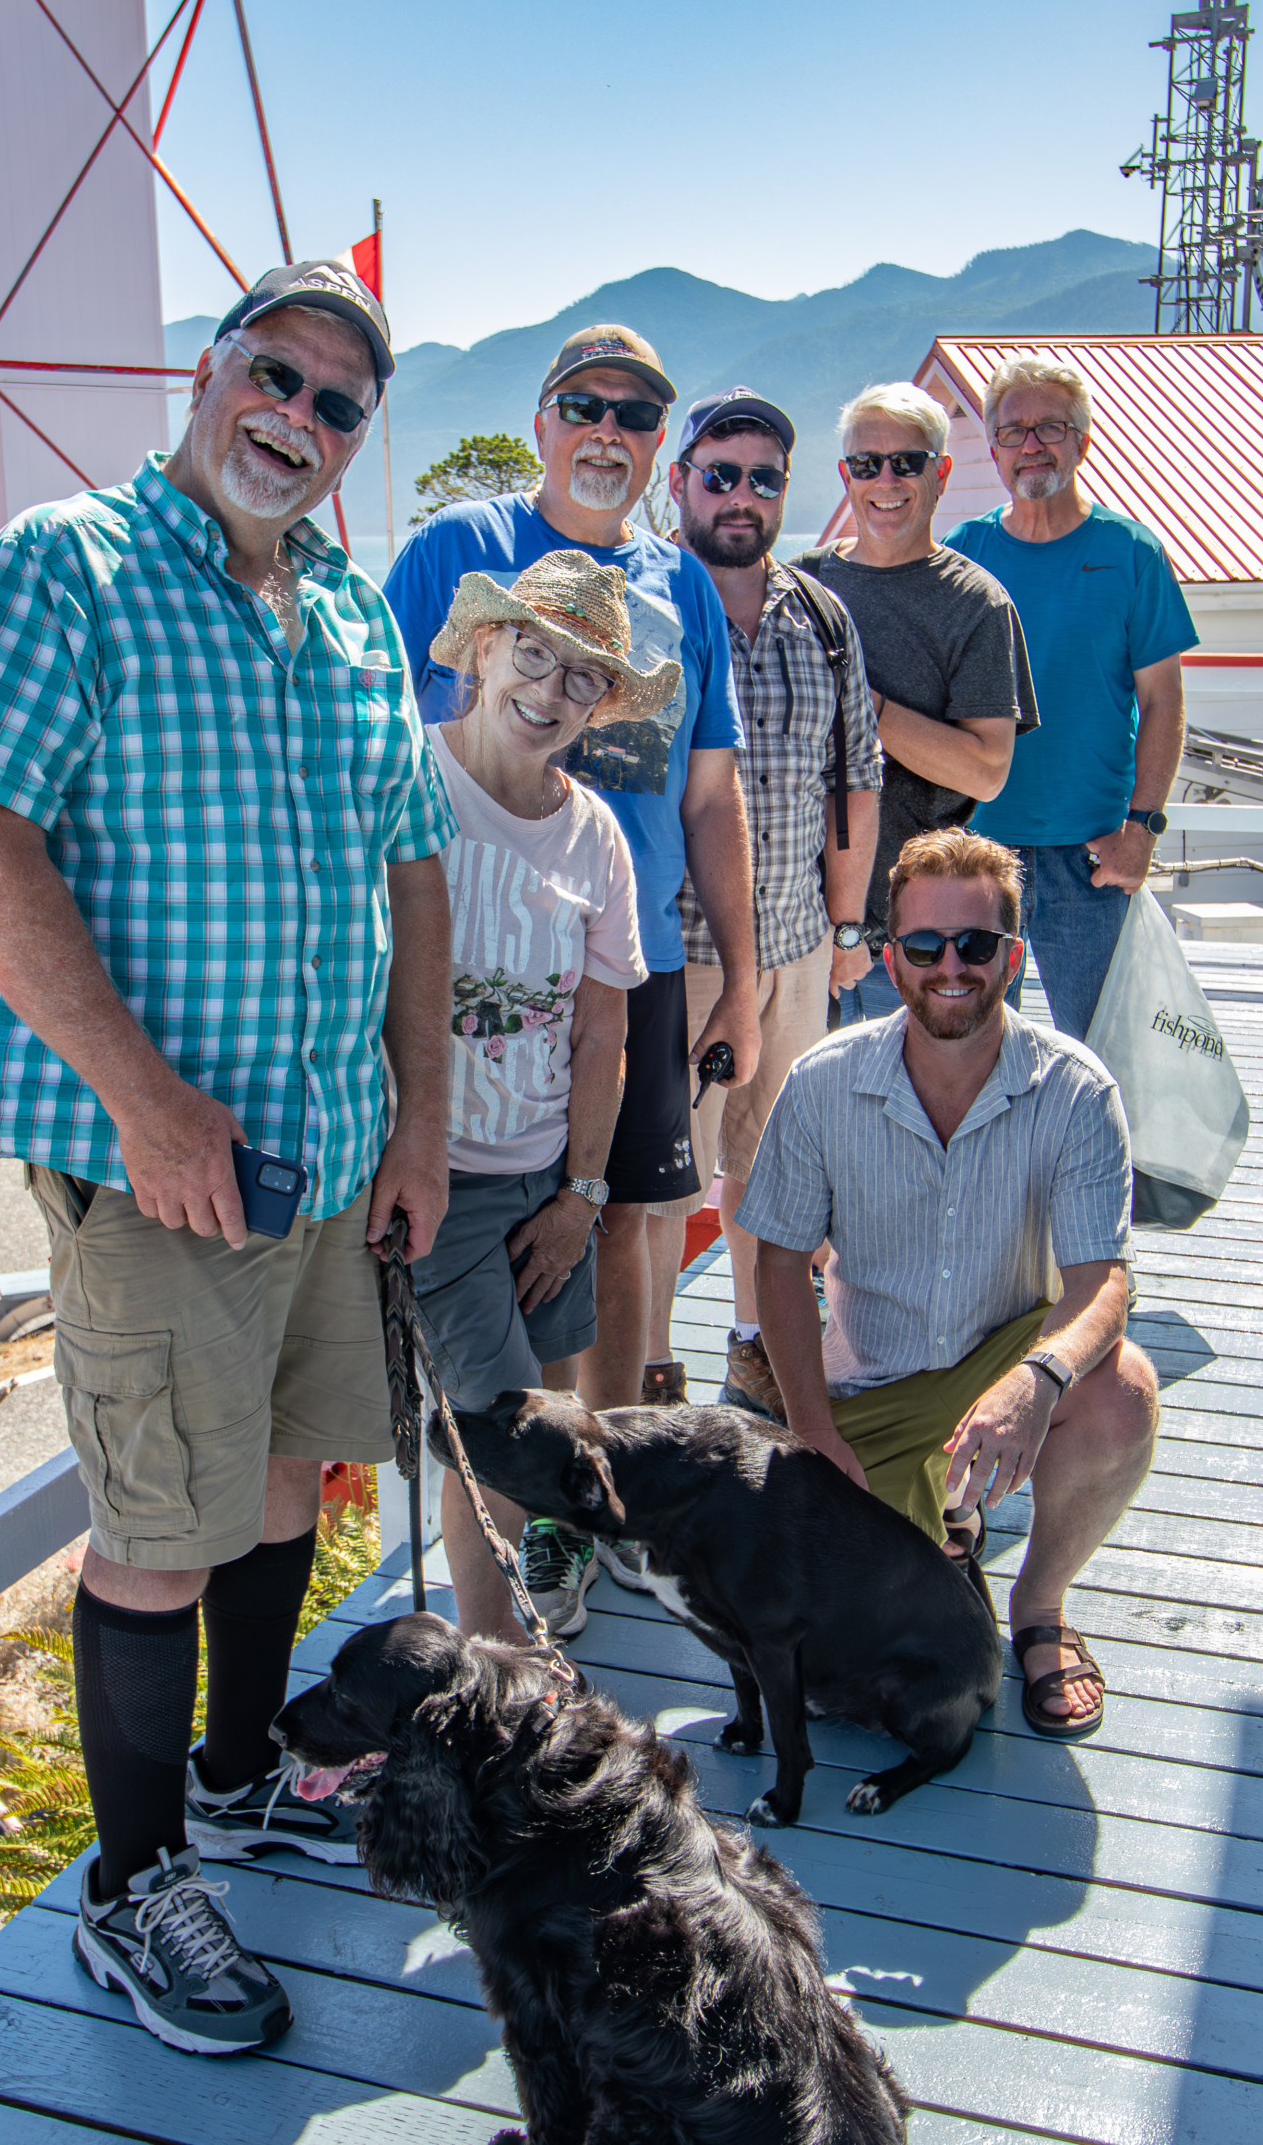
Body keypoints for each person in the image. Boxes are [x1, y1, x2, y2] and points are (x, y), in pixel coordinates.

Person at [0, 260, 456, 2057]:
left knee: (292, 1478)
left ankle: (236, 1778)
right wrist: (145, 1099)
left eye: (337, 408)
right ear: (209, 371)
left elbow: (410, 875)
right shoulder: (64, 569)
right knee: (156, 1533)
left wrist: (419, 1119)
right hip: (158, 1173)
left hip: (333, 1152)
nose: (297, 420)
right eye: (276, 377)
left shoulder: (355, 619)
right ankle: (130, 1887)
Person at [383, 325, 758, 1612]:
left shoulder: (684, 583)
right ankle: (525, 1560)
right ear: (543, 418)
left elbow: (714, 796)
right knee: (497, 1367)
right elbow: (365, 755)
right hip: (455, 973)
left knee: (618, 1239)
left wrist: (743, 976)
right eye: (584, 405)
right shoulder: (449, 550)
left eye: (639, 413)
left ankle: (591, 1521)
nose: (610, 429)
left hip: (618, 958)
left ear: (662, 443)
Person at [736, 825, 1160, 1742]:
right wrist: (811, 1434)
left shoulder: (1077, 1089)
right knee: (819, 1667)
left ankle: (1040, 1610)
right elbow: (776, 1262)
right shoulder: (822, 1081)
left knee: (1122, 1392)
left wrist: (1039, 1382)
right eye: (925, 947)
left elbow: (1104, 1281)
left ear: (1013, 955)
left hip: (1010, 1351)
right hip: (867, 1394)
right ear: (891, 959)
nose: (951, 967)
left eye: (976, 945)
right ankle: (942, 1520)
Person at [414, 553, 666, 1642]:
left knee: (550, 1409)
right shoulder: (409, 784)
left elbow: (604, 1024)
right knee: (499, 1437)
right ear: (482, 648)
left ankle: (525, 1622)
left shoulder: (595, 832)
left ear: (602, 704)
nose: (549, 690)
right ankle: (496, 1673)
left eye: (581, 676)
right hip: (436, 1172)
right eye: (532, 653)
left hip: (546, 1176)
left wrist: (582, 1192)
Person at [648, 388, 883, 1423]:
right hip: (679, 954)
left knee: (772, 1173)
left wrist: (845, 931)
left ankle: (754, 1349)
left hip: (793, 952)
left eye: (764, 479)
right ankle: (649, 1378)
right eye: (721, 474)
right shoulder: (649, 604)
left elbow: (856, 779)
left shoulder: (823, 619)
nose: (742, 496)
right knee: (660, 1189)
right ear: (680, 483)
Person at [945, 352, 1197, 1041]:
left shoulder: (1131, 554)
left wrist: (1141, 830)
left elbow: (1165, 703)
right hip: (980, 854)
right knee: (976, 1049)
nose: (1031, 445)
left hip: (1092, 857)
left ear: (1083, 441)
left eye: (1050, 427)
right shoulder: (965, 554)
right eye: (1012, 431)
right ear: (993, 450)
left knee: (1101, 1055)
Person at [794, 381, 1036, 1026]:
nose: (886, 480)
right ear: (846, 474)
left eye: (907, 461)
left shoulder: (977, 604)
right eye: (866, 464)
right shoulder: (799, 585)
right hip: (793, 927)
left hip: (918, 942)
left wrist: (862, 700)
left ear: (942, 472)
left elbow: (986, 769)